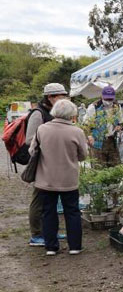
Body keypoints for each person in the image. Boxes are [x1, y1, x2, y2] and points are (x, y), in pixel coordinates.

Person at [29, 99, 88, 256]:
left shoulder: (42, 129)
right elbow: (83, 156)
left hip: (46, 179)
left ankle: (51, 247)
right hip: (69, 179)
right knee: (72, 212)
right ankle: (75, 246)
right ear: (72, 114)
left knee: (48, 212)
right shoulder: (77, 132)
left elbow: (32, 150)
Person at [26, 83, 68, 247]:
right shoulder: (38, 113)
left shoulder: (53, 112)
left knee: (51, 199)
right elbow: (30, 140)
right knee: (39, 198)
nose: (63, 99)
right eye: (60, 96)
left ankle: (50, 230)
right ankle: (36, 234)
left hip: (53, 163)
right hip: (41, 163)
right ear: (50, 97)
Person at [84, 86, 123, 167]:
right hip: (97, 141)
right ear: (102, 96)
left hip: (112, 140)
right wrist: (89, 136)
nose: (108, 101)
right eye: (107, 99)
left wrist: (120, 126)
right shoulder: (94, 107)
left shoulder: (116, 106)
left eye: (110, 99)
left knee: (115, 167)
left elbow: (121, 122)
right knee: (99, 167)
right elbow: (86, 125)